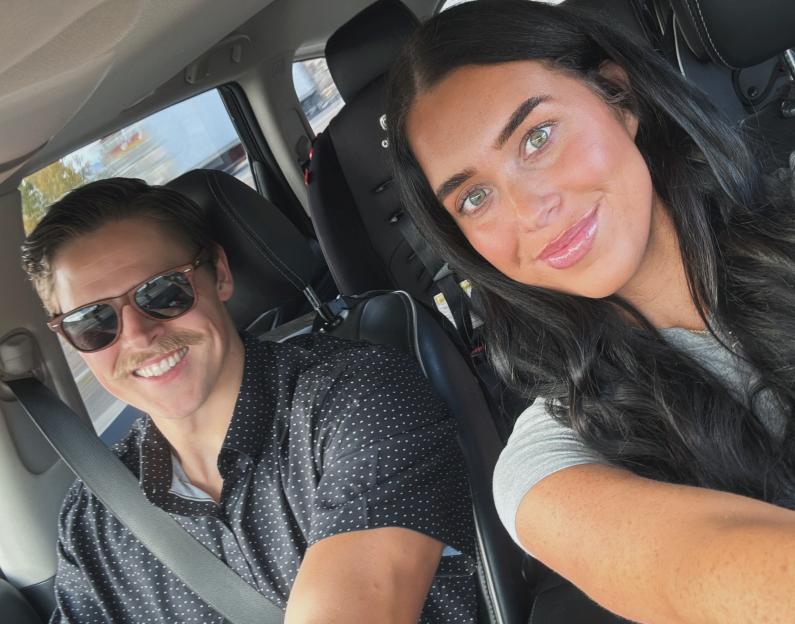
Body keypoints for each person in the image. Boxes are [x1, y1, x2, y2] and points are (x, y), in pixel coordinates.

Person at [385, 1, 795, 623]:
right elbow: (699, 568)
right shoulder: (548, 462)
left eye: (537, 137)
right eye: (474, 197)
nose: (530, 210)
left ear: (618, 98)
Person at [21, 178, 478, 624]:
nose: (139, 335)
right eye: (93, 321)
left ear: (219, 273)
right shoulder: (93, 521)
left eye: (162, 292)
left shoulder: (358, 397)